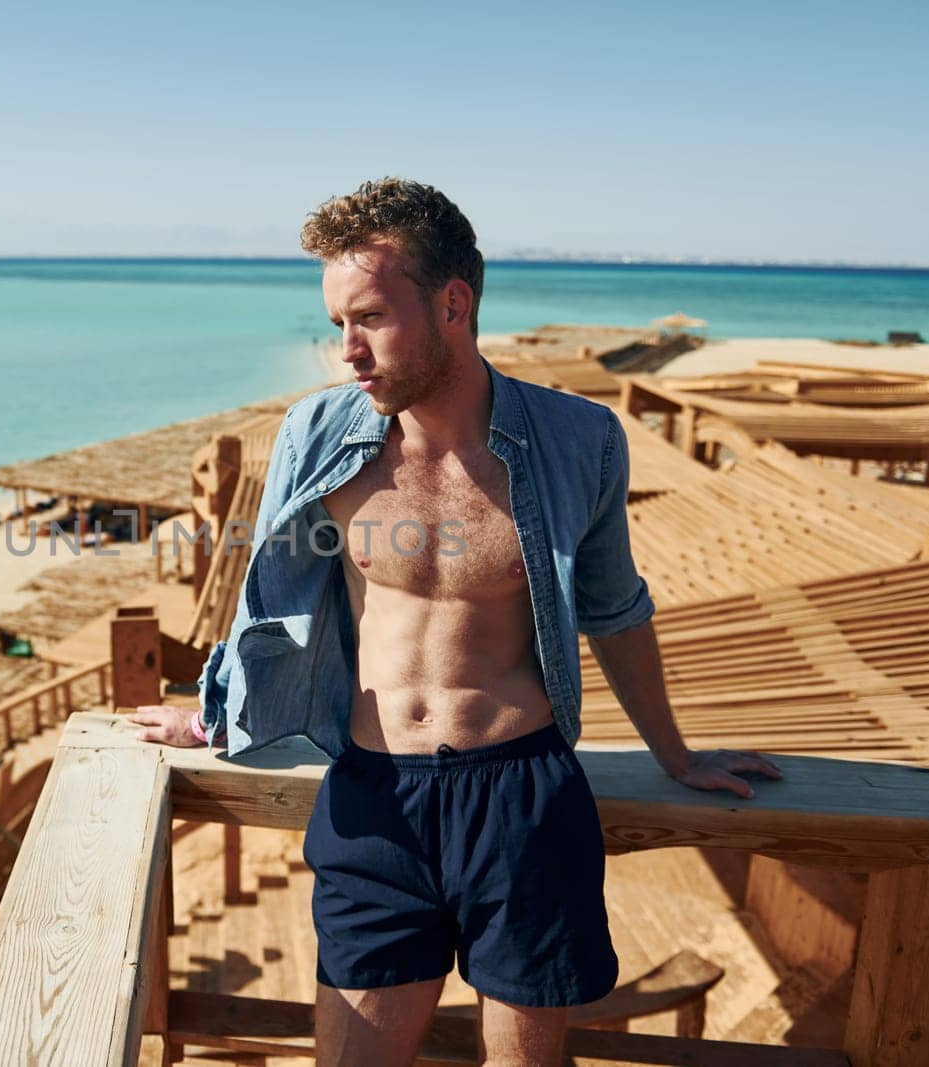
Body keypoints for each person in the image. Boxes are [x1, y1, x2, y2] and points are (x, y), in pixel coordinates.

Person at [127, 178, 783, 1067]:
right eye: (335, 326)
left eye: (370, 319)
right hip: (373, 799)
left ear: (453, 302)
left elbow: (613, 607)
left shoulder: (578, 439)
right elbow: (270, 602)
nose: (348, 352)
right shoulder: (314, 436)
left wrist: (677, 753)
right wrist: (219, 711)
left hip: (521, 797)